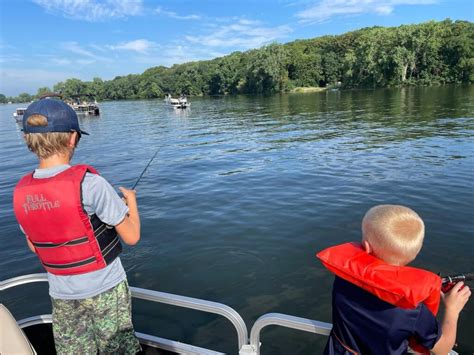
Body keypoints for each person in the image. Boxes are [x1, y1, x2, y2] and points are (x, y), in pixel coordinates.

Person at [13, 98, 141, 354]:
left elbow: (34, 245)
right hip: (106, 290)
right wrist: (132, 203)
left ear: (28, 140)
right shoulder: (91, 184)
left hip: (62, 295)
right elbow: (132, 236)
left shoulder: (21, 192)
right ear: (72, 138)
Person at [317, 204, 471, 355]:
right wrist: (452, 309)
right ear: (415, 252)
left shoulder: (343, 277)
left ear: (366, 246)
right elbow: (443, 349)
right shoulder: (412, 309)